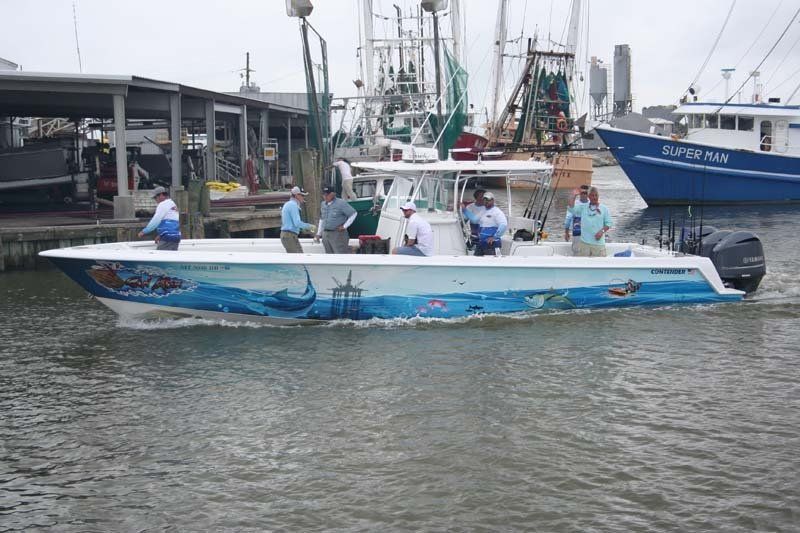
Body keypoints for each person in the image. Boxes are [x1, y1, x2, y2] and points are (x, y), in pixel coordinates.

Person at [567, 186, 613, 257]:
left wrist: (602, 232)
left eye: (596, 195)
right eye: (592, 195)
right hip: (584, 243)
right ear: (588, 196)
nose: (594, 197)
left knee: (600, 265)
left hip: (598, 244)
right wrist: (574, 195)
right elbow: (571, 208)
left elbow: (609, 224)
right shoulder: (583, 207)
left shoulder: (604, 209)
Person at [462, 191, 507, 256]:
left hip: (492, 245)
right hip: (481, 243)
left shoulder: (497, 212)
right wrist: (464, 210)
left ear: (493, 200)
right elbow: (474, 220)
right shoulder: (483, 211)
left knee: (490, 263)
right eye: (484, 199)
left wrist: (494, 237)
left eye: (488, 200)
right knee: (475, 261)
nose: (486, 201)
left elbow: (503, 225)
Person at [315, 185, 357, 254]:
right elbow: (321, 219)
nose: (325, 196)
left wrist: (344, 226)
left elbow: (353, 213)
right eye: (324, 194)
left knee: (340, 255)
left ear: (333, 194)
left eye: (327, 194)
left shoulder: (341, 203)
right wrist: (318, 233)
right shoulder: (323, 204)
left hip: (338, 234)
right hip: (325, 234)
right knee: (329, 255)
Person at [138, 186, 182, 250]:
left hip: (167, 237)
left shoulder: (163, 204)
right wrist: (160, 235)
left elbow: (155, 221)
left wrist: (144, 231)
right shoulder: (173, 204)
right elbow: (172, 224)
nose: (156, 200)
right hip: (176, 237)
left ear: (161, 195)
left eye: (156, 198)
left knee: (161, 257)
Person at [280, 186, 316, 253]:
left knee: (299, 256)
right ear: (297, 195)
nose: (303, 197)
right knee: (298, 257)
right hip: (289, 235)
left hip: (288, 235)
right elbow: (297, 223)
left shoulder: (288, 204)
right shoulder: (293, 205)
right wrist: (311, 227)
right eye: (302, 195)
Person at [564, 184, 590, 254]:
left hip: (589, 233)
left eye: (585, 193)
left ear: (588, 194)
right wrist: (566, 233)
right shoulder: (573, 204)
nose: (584, 195)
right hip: (577, 232)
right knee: (576, 251)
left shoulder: (592, 204)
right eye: (582, 193)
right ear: (579, 194)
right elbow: (568, 218)